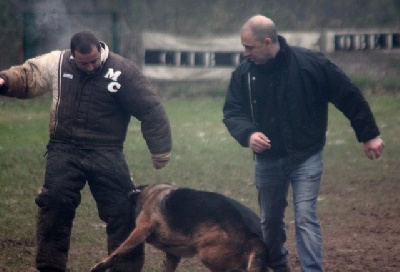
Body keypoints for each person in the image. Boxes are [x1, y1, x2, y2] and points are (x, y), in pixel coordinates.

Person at [222, 15, 385, 272]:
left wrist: (370, 134)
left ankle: (312, 269)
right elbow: (232, 111)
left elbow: (348, 94)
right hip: (268, 160)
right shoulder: (244, 74)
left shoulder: (311, 64)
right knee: (270, 223)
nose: (245, 53)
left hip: (306, 155)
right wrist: (248, 134)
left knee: (305, 218)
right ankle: (277, 265)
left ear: (267, 42)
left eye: (249, 47)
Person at [0, 31, 172, 272]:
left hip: (107, 150)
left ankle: (125, 268)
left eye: (94, 61)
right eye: (84, 63)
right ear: (74, 56)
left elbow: (150, 108)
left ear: (99, 51)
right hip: (63, 148)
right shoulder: (58, 63)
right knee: (54, 205)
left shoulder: (123, 71)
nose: (91, 67)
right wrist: (5, 81)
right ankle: (50, 266)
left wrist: (160, 150)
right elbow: (30, 75)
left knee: (123, 210)